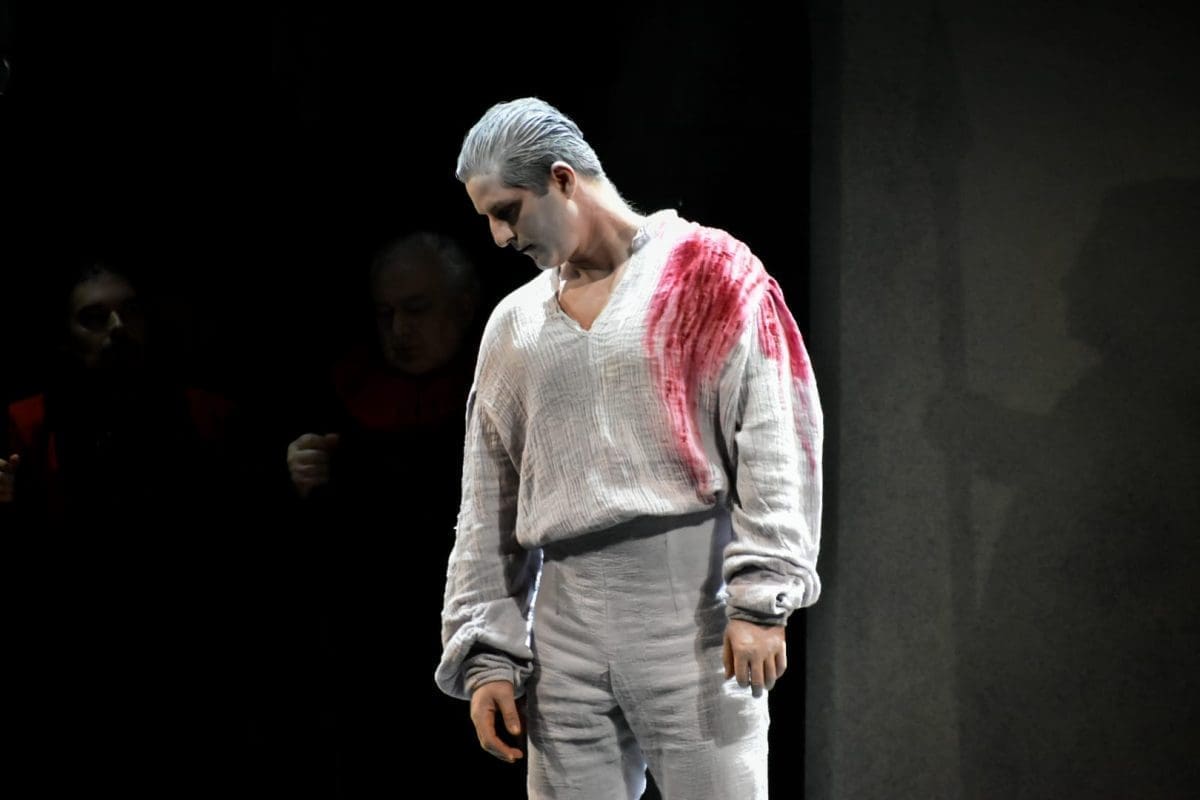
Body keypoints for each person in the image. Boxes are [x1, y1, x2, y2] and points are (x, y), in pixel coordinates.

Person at [437, 97, 824, 799]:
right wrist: (487, 652)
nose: (498, 237)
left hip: (692, 619)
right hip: (563, 631)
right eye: (488, 217)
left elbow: (775, 436)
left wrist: (761, 599)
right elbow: (486, 501)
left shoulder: (708, 270)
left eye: (507, 211)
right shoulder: (513, 326)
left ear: (562, 178)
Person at [1, 258, 251, 797]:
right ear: (64, 335)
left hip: (188, 654)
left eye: (129, 312)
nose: (117, 328)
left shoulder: (208, 415)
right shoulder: (28, 425)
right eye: (94, 317)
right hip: (71, 655)